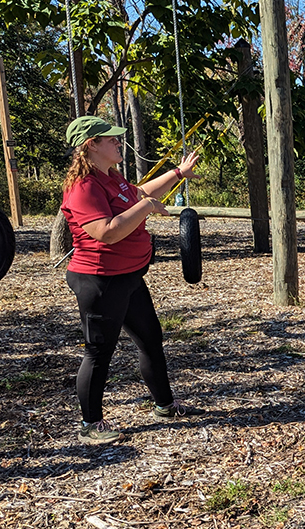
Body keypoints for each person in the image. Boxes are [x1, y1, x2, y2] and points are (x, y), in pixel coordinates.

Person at [61, 116, 205, 445]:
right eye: (110, 139)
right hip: (99, 281)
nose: (117, 142)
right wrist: (144, 208)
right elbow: (106, 232)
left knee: (151, 340)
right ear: (91, 146)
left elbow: (140, 192)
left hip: (128, 278)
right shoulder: (84, 187)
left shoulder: (111, 178)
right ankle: (90, 425)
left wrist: (177, 174)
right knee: (99, 352)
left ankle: (165, 406)